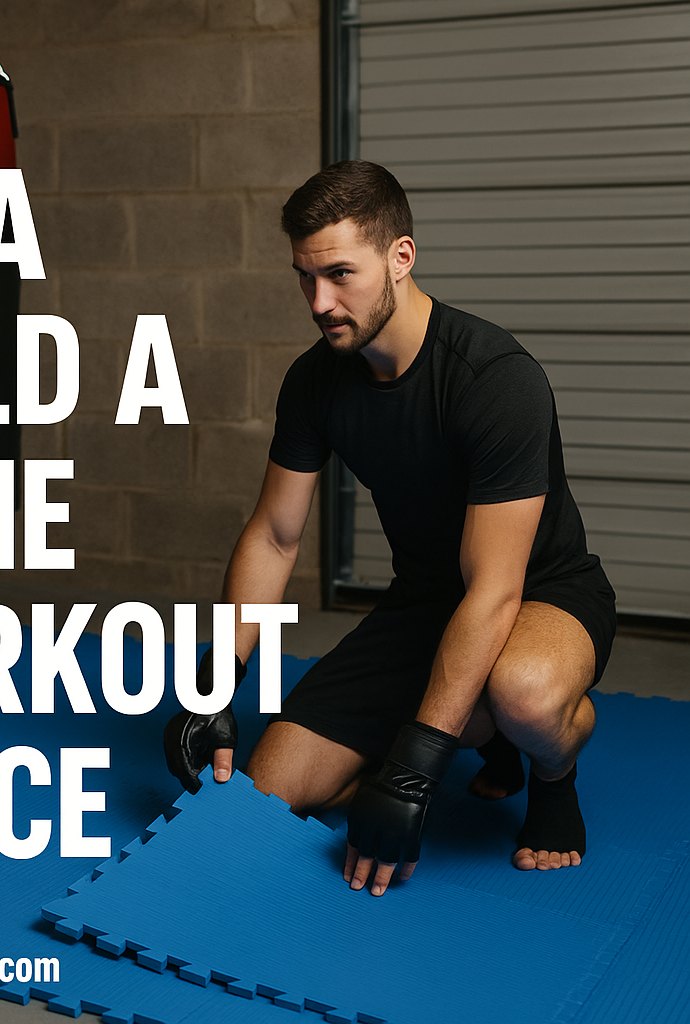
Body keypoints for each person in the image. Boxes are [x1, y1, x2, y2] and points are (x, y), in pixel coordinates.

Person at [164, 160, 616, 897]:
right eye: (304, 278)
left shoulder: (492, 378)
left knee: (524, 692)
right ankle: (482, 733)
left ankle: (550, 771)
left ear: (401, 258)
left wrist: (412, 771)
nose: (319, 301)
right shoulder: (315, 381)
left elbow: (496, 590)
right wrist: (212, 688)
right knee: (267, 792)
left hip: (541, 595)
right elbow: (275, 536)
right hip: (426, 604)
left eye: (341, 274)